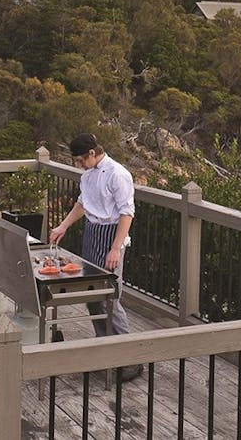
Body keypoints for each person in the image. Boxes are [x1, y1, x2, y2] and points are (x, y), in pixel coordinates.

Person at [48, 132, 140, 380]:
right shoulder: (88, 174)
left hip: (112, 236)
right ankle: (103, 347)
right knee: (91, 295)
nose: (79, 164)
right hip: (92, 233)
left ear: (92, 153)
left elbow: (127, 213)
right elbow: (82, 204)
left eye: (80, 160)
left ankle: (129, 358)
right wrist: (63, 226)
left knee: (110, 297)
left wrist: (115, 248)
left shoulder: (118, 174)